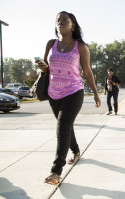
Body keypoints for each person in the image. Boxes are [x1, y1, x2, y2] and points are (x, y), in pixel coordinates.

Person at [35, 11, 101, 185]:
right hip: (53, 93)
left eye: (65, 20)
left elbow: (87, 71)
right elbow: (46, 68)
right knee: (66, 126)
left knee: (62, 127)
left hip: (73, 91)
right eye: (58, 20)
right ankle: (76, 151)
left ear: (73, 24)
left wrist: (95, 93)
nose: (60, 22)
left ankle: (56, 172)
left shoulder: (80, 46)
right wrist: (42, 67)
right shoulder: (51, 44)